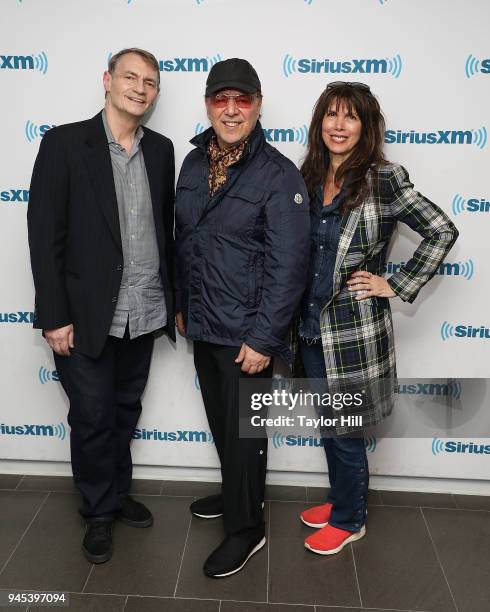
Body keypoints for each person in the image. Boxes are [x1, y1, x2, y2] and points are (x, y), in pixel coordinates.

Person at [296, 82, 458, 555]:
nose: (338, 125)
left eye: (350, 117)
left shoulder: (383, 178)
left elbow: (442, 229)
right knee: (330, 424)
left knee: (346, 431)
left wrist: (396, 283)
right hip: (308, 328)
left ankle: (350, 519)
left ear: (366, 127)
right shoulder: (308, 174)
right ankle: (341, 498)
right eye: (331, 115)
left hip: (353, 332)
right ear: (319, 122)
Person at [27, 48, 175, 564]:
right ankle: (97, 513)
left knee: (124, 410)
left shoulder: (161, 150)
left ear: (156, 94)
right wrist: (53, 316)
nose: (140, 87)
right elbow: (45, 238)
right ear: (108, 81)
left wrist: (171, 298)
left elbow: (165, 230)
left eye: (150, 82)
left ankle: (115, 492)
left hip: (145, 310)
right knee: (92, 417)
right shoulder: (65, 144)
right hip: (84, 315)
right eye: (131, 77)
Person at [174, 58, 310, 577]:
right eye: (220, 99)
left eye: (242, 100)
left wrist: (264, 337)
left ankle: (246, 528)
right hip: (204, 323)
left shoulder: (278, 174)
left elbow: (289, 266)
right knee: (221, 426)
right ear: (208, 104)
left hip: (247, 335)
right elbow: (185, 239)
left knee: (245, 435)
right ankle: (236, 496)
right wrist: (183, 305)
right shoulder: (191, 163)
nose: (230, 110)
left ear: (257, 104)